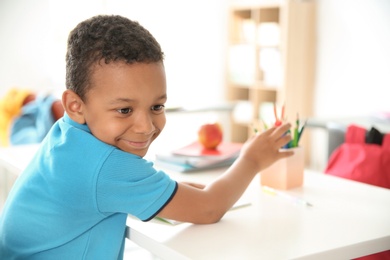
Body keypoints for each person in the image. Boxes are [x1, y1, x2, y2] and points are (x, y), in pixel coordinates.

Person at [0, 15, 293, 259]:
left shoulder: (68, 136)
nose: (145, 126)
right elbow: (209, 208)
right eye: (125, 109)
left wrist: (165, 190)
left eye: (157, 106)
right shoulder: (107, 167)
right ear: (76, 105)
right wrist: (252, 159)